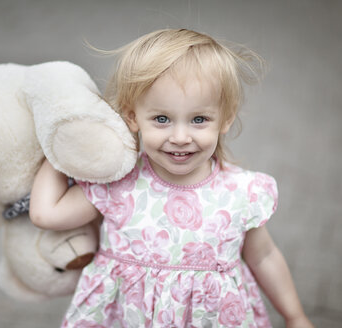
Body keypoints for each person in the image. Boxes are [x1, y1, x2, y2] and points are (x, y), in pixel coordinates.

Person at [30, 29, 313, 328]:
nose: (180, 137)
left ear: (226, 118)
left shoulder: (241, 193)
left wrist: (294, 316)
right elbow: (45, 213)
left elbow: (264, 257)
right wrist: (62, 148)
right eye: (162, 119)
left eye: (199, 119)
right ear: (132, 116)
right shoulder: (119, 184)